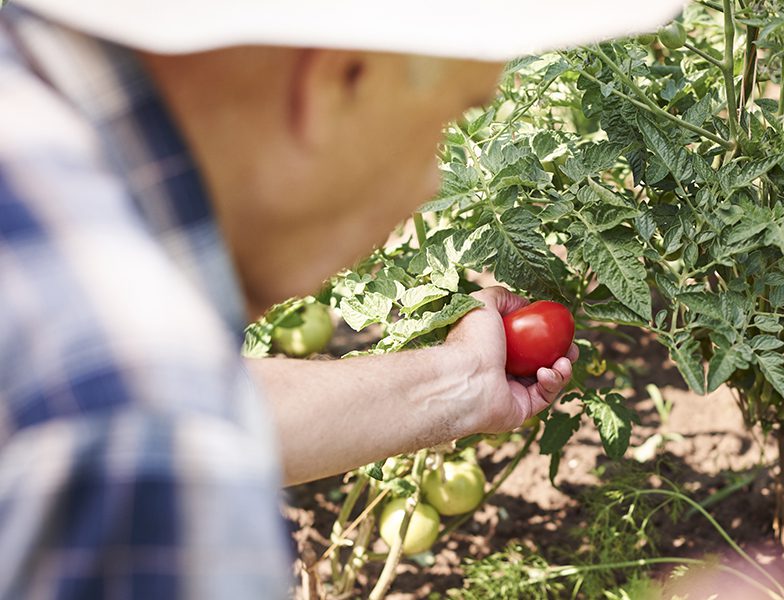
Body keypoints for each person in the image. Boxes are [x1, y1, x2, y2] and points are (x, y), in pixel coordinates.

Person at [0, 0, 683, 596]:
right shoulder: (136, 424)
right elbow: (152, 418)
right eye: (449, 119)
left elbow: (190, 401)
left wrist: (458, 383)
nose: (428, 182)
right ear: (342, 79)